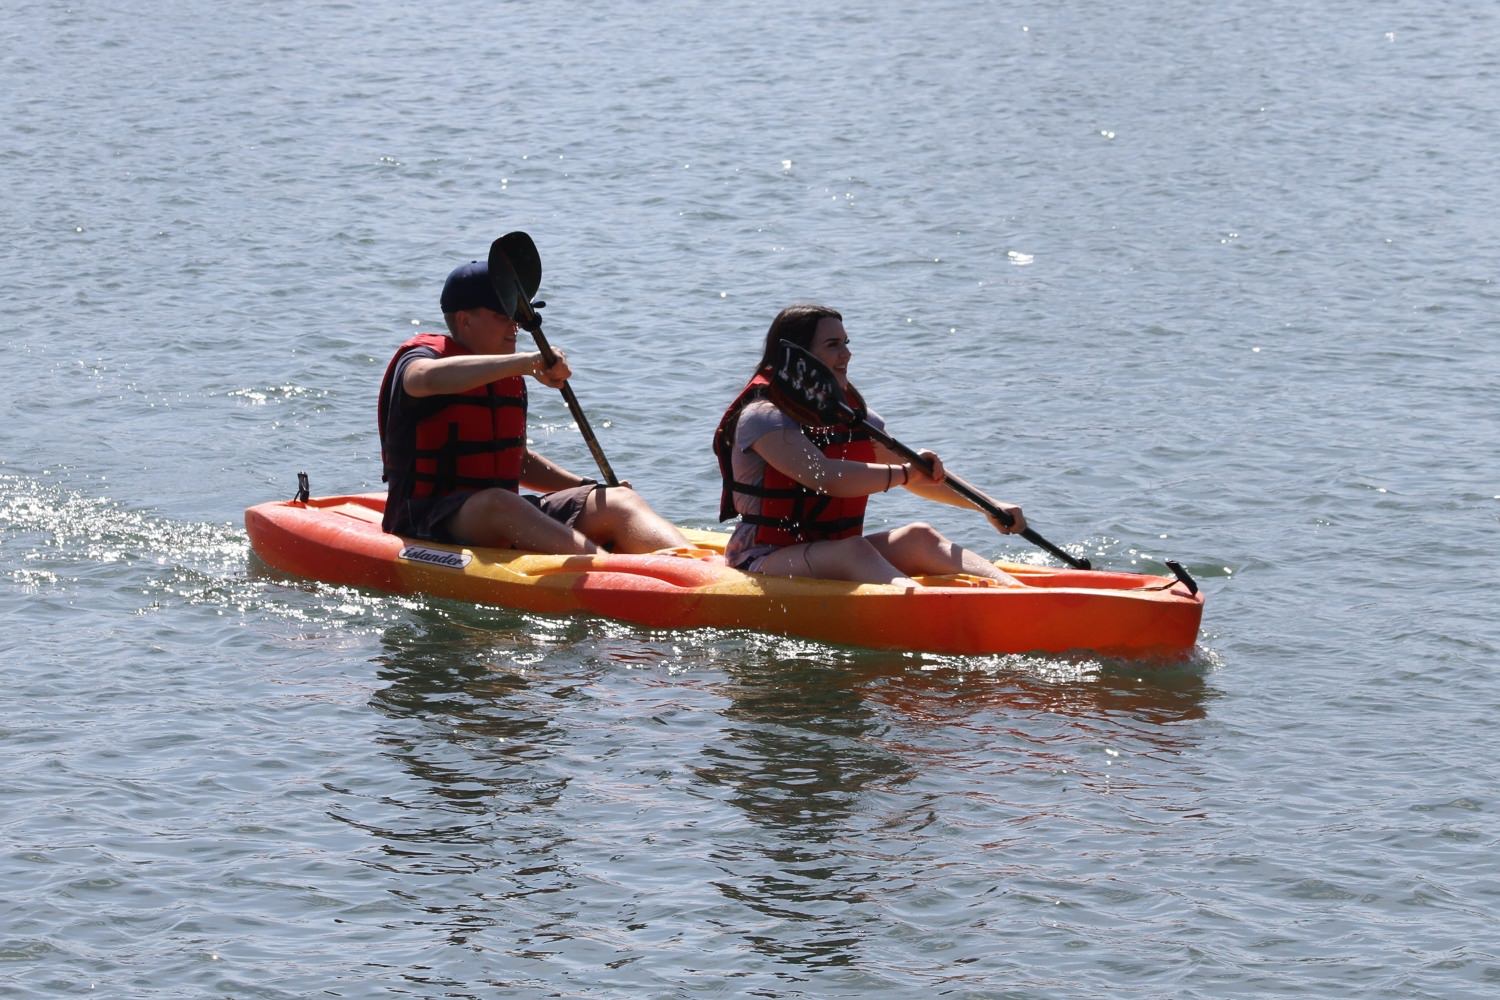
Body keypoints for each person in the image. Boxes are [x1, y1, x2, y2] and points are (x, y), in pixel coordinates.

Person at [378, 258, 688, 554]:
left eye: (517, 316)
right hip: (428, 520)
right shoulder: (423, 360)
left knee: (617, 500)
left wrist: (585, 485)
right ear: (464, 319)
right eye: (503, 316)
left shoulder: (508, 376)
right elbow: (424, 380)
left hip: (503, 516)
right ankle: (610, 572)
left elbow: (519, 461)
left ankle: (696, 569)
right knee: (499, 502)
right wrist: (525, 362)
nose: (515, 326)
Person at [713, 304, 1028, 587]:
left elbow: (922, 477)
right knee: (854, 550)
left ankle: (1021, 594)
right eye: (833, 345)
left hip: (831, 553)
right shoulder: (764, 418)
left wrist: (990, 505)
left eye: (846, 344)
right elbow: (823, 476)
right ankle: (924, 608)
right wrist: (903, 474)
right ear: (798, 355)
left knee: (919, 536)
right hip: (763, 558)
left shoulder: (852, 416)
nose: (846, 355)